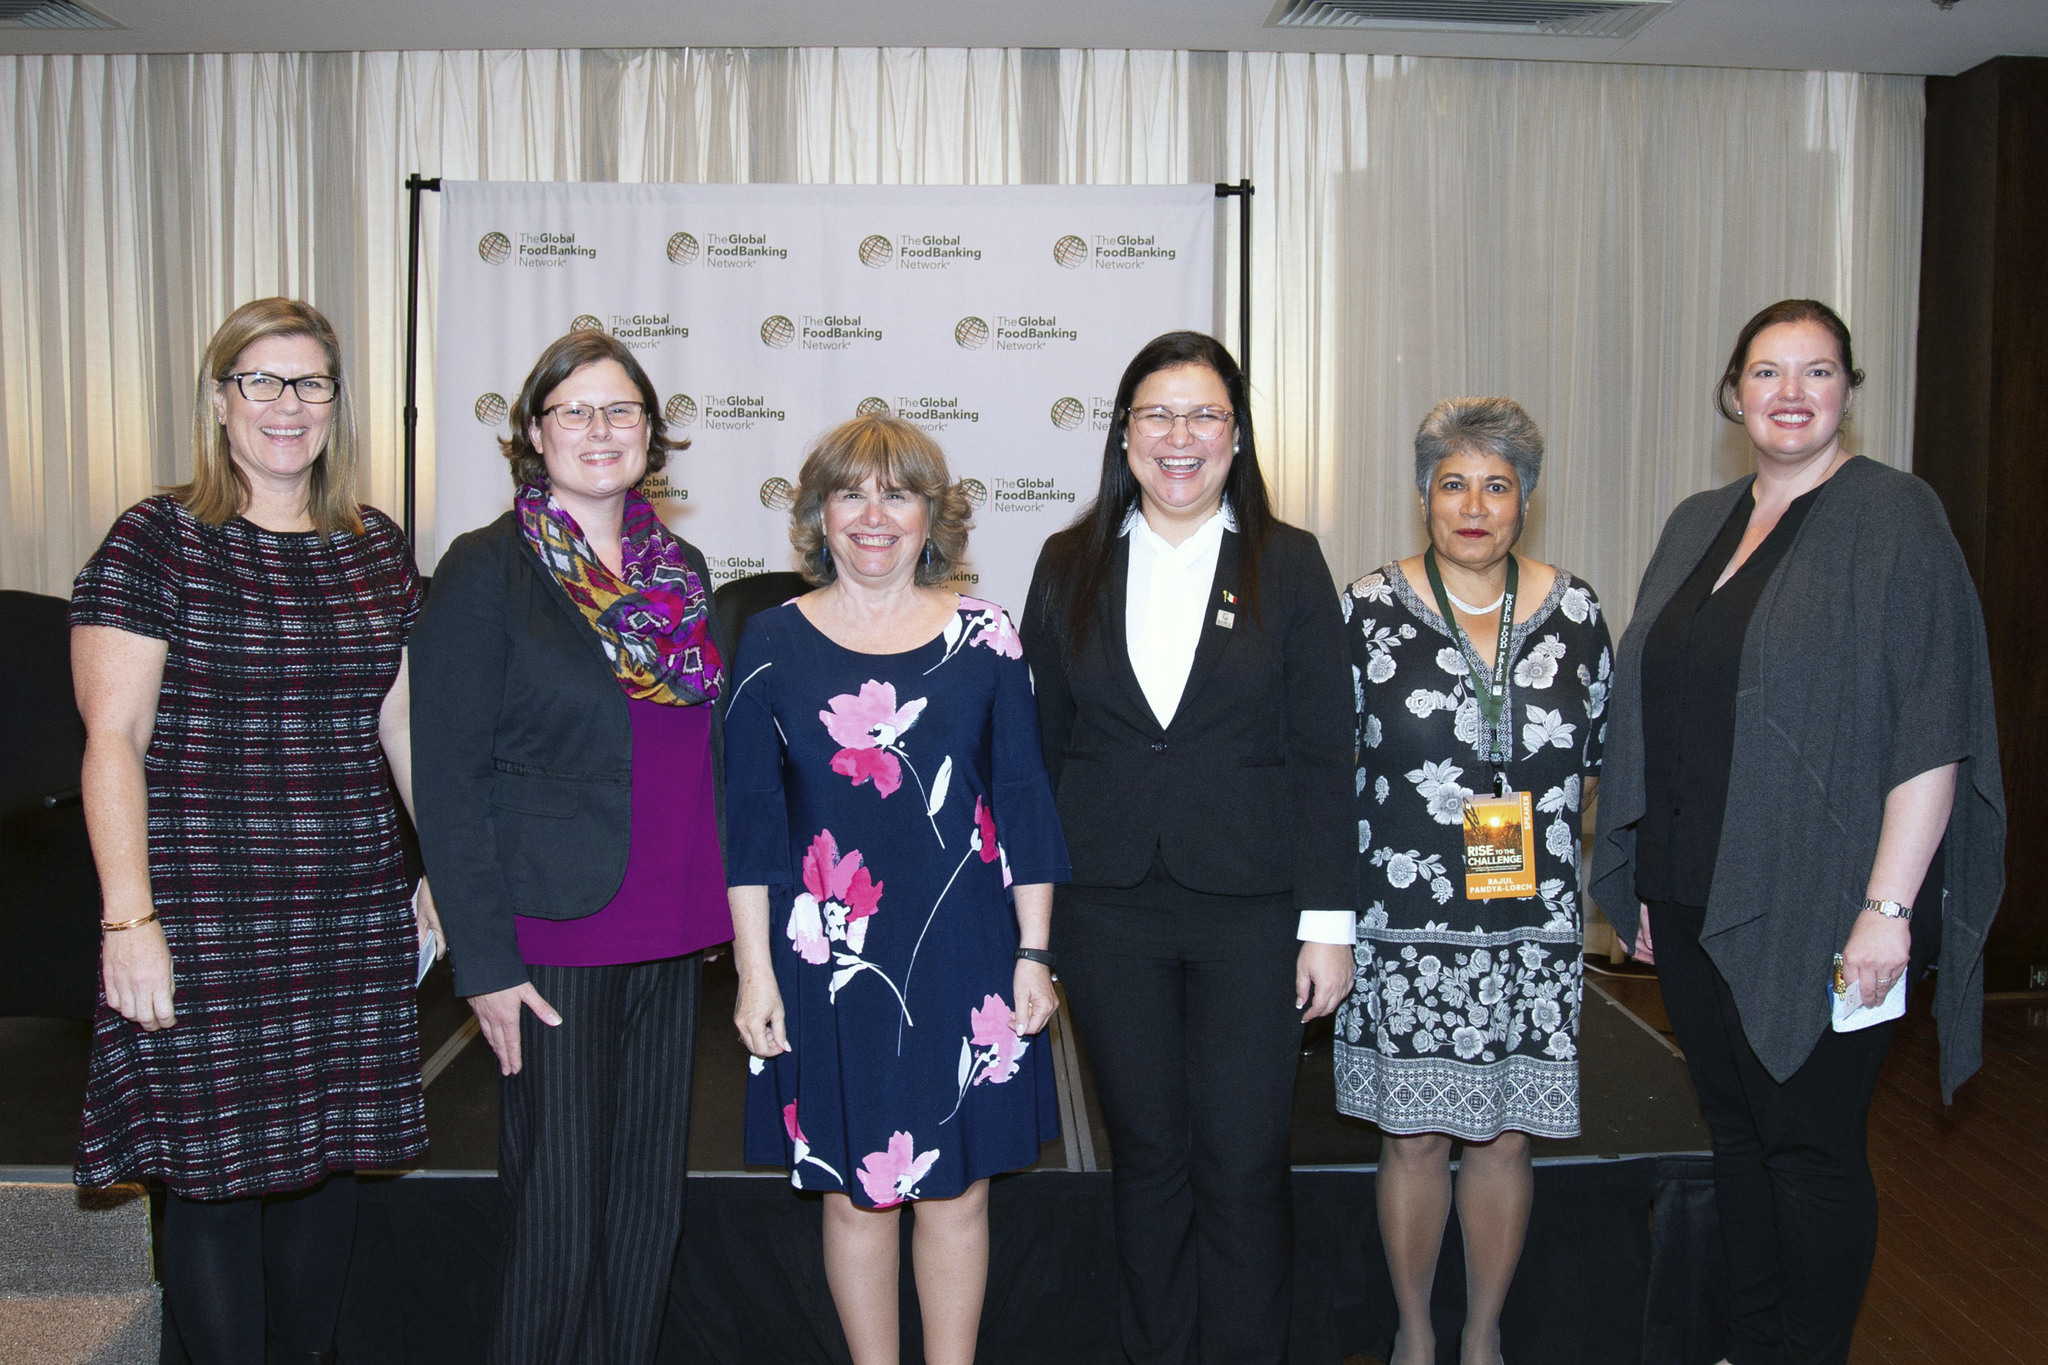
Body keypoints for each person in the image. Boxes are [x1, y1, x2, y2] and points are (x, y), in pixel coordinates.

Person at [1591, 299, 2004, 1365]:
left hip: (1829, 899)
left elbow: (1931, 731)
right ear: (1732, 392)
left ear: (1847, 394)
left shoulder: (1894, 518)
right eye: (1766, 372)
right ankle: (1749, 1341)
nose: (1789, 393)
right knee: (1734, 1139)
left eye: (1815, 372)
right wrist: (1635, 869)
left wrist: (1886, 909)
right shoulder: (1696, 519)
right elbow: (1658, 707)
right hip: (1687, 891)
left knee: (1808, 1148)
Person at [70, 297, 436, 1364]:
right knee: (209, 1175)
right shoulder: (157, 535)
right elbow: (111, 742)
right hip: (200, 909)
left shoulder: (372, 545)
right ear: (221, 398)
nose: (288, 404)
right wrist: (127, 921)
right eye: (262, 381)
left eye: (310, 382)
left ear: (335, 402)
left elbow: (404, 724)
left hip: (344, 905)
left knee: (327, 1164)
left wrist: (446, 872)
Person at [1020, 330, 1355, 1365]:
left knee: (1244, 1159)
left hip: (1251, 910)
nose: (1179, 437)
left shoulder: (1287, 561)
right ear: (1123, 438)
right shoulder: (1067, 562)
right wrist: (1027, 929)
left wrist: (1328, 924)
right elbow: (1038, 751)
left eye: (1203, 414)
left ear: (1236, 436)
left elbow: (1323, 752)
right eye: (1154, 415)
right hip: (1106, 908)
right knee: (1149, 1156)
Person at [411, 329, 731, 1364]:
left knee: (645, 1211)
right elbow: (448, 779)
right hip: (552, 937)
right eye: (575, 411)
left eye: (621, 410)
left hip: (671, 923)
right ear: (534, 434)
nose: (600, 430)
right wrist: (484, 962)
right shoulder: (483, 569)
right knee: (556, 1216)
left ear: (652, 432)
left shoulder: (677, 571)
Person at [724, 415, 1068, 1365]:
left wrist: (1035, 952)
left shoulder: (987, 634)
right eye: (850, 494)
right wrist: (754, 975)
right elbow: (748, 825)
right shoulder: (767, 640)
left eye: (898, 494)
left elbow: (1026, 802)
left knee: (956, 1192)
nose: (873, 516)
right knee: (852, 1190)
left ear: (932, 516)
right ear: (818, 514)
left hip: (969, 952)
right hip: (827, 960)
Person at [1336, 398, 1610, 1365]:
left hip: (1532, 933)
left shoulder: (1577, 613)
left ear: (1525, 499)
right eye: (1453, 483)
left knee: (1504, 1139)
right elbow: (1329, 772)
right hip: (1401, 930)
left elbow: (1599, 769)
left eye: (1497, 485)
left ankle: (1483, 1334)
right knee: (1411, 1140)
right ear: (1423, 496)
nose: (1474, 505)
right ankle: (1415, 1333)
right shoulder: (1364, 611)